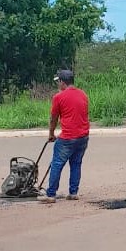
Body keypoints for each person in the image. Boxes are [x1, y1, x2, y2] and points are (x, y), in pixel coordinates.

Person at [39, 69, 90, 204]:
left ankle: (51, 195)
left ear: (62, 82)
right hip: (83, 136)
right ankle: (73, 193)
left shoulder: (59, 97)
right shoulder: (83, 94)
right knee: (76, 164)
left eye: (58, 82)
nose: (58, 84)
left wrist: (51, 134)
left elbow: (53, 118)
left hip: (68, 137)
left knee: (56, 164)